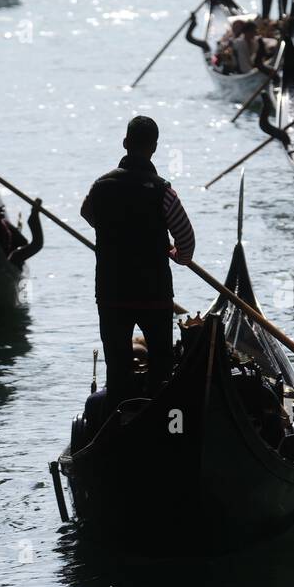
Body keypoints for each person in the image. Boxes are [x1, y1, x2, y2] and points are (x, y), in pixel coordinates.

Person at [80, 116, 195, 403]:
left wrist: (111, 231)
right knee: (161, 366)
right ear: (153, 148)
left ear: (125, 143)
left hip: (111, 293)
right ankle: (161, 424)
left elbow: (86, 213)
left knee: (117, 366)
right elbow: (187, 241)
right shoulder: (163, 191)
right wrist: (177, 255)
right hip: (153, 294)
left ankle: (118, 421)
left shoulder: (100, 186)